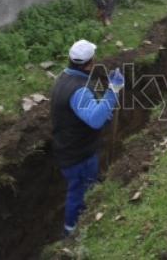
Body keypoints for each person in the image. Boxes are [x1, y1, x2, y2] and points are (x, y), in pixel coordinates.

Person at [51, 39, 125, 237]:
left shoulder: (64, 78)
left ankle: (91, 198)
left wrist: (102, 109)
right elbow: (95, 120)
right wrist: (113, 91)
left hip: (69, 147)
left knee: (83, 186)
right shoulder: (80, 90)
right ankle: (71, 232)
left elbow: (83, 113)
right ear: (90, 63)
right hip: (78, 156)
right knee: (78, 192)